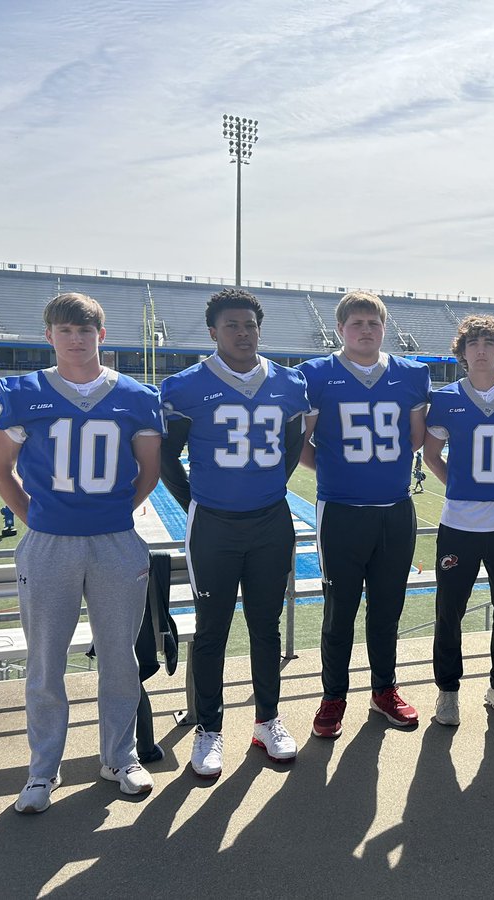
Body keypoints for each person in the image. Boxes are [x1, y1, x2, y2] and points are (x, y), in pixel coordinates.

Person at [0, 292, 164, 814]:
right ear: (49, 336)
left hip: (115, 541)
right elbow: (1, 470)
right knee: (45, 662)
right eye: (65, 330)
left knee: (120, 659)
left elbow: (148, 471)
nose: (76, 338)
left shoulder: (136, 395)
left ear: (101, 336)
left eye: (85, 330)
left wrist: (109, 517)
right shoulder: (22, 392)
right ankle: (42, 771)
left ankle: (119, 757)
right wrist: (38, 519)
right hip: (48, 545)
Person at [159, 289, 309, 777]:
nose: (242, 333)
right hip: (214, 525)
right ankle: (209, 728)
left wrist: (264, 490)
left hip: (270, 520)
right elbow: (166, 458)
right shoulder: (184, 386)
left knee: (266, 626)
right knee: (212, 629)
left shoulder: (288, 383)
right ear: (213, 332)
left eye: (249, 325)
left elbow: (290, 449)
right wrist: (196, 502)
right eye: (231, 326)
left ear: (259, 328)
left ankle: (267, 719)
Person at [298, 291, 431, 738]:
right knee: (340, 610)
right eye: (356, 323)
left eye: (373, 323)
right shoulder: (316, 375)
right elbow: (301, 443)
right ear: (340, 329)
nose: (366, 330)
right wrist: (337, 468)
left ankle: (384, 689)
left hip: (394, 510)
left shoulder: (411, 374)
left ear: (384, 327)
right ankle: (334, 695)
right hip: (340, 511)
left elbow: (414, 438)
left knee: (387, 609)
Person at [423, 315, 494, 727]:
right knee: (448, 612)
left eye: (489, 342)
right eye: (473, 342)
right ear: (462, 353)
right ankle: (448, 692)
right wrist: (459, 484)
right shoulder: (446, 398)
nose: (481, 349)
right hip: (459, 525)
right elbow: (431, 455)